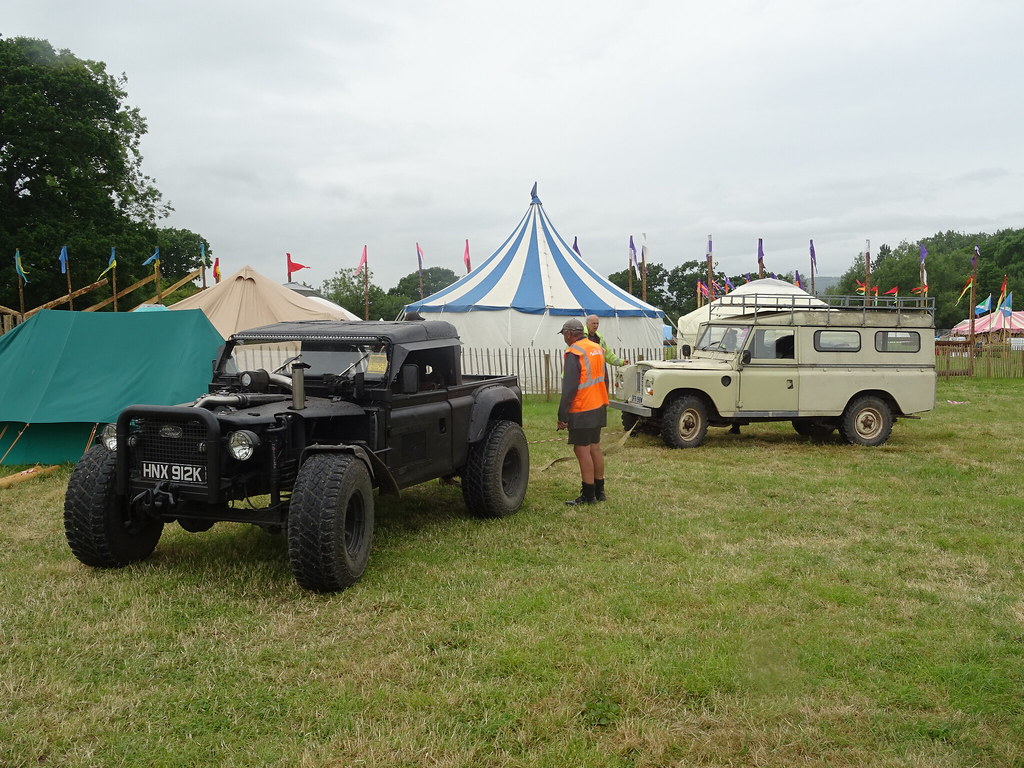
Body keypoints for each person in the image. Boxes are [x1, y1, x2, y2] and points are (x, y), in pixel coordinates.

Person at [557, 318, 610, 505]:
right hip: (599, 404)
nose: (564, 338)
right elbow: (605, 377)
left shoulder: (574, 352)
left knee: (582, 449)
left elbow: (569, 387)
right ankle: (599, 491)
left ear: (569, 334)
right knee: (595, 446)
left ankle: (588, 495)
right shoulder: (596, 348)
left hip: (582, 407)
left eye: (564, 334)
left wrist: (562, 416)